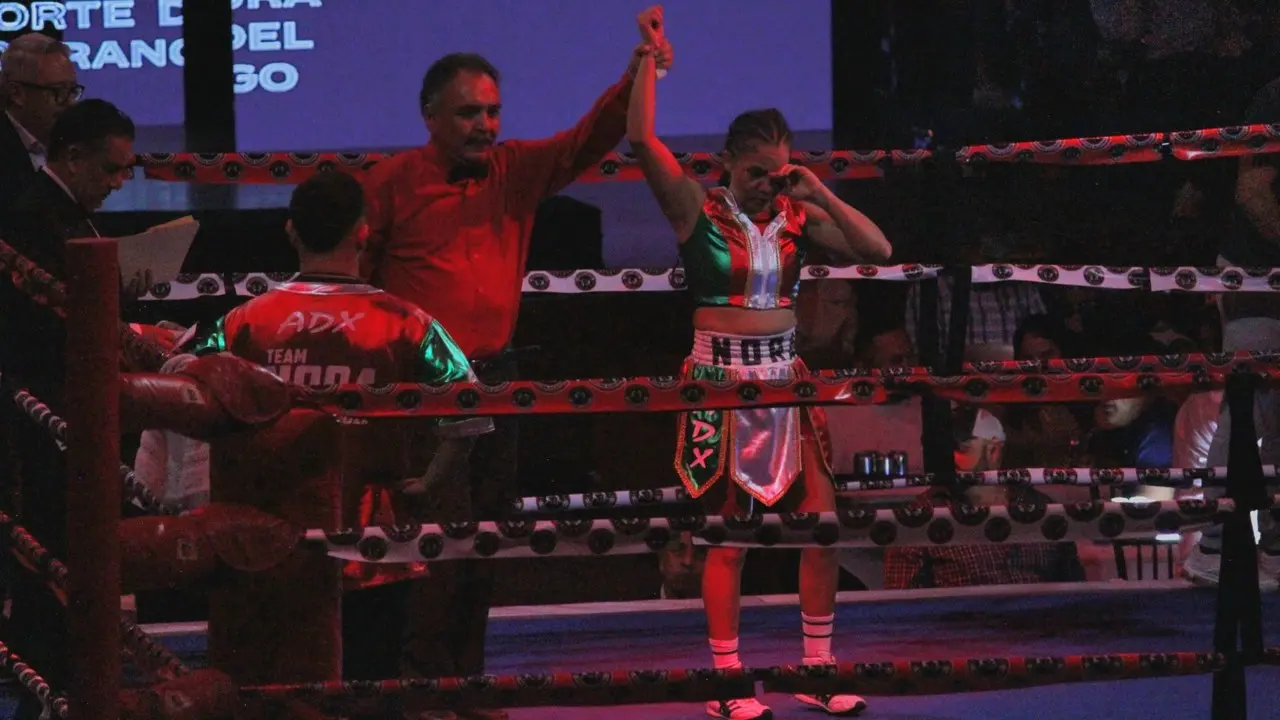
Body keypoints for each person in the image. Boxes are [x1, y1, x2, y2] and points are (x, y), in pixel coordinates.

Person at [360, 10, 670, 717]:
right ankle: (422, 688)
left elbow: (593, 134)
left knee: (486, 537)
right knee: (435, 541)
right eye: (470, 112)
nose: (485, 125)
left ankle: (465, 683)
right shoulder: (391, 183)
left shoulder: (515, 171)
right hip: (422, 392)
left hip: (496, 382)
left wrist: (639, 69)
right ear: (431, 116)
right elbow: (361, 286)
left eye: (493, 111)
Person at [626, 13, 891, 718]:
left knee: (823, 527)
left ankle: (819, 668)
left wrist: (819, 191)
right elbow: (642, 141)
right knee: (728, 536)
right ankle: (725, 681)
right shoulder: (697, 213)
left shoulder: (798, 218)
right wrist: (649, 61)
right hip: (720, 381)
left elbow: (879, 250)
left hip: (787, 380)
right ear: (726, 165)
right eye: (754, 175)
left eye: (776, 175)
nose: (765, 188)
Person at [179, 172, 488, 699]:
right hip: (372, 539)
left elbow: (178, 381)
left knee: (270, 695)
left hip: (265, 537)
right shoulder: (406, 322)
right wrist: (430, 482)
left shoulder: (243, 322)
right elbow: (472, 408)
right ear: (364, 233)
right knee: (371, 693)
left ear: (291, 232)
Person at [0, 97, 135, 720]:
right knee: (51, 556)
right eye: (110, 169)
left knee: (57, 556)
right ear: (73, 157)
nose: (118, 183)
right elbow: (47, 328)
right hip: (47, 414)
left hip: (57, 411)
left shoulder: (58, 215)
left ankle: (53, 687)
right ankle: (52, 689)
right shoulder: (38, 218)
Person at [0, 33, 80, 212]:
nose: (70, 101)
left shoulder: (69, 145)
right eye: (58, 91)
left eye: (73, 90)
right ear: (17, 93)